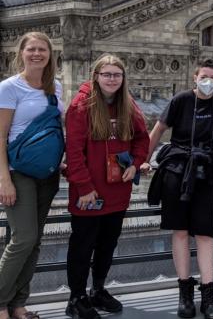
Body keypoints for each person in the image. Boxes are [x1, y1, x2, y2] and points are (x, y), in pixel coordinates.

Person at [146, 59, 213, 319]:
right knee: (181, 232)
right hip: (177, 170)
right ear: (195, 78)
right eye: (204, 76)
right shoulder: (181, 100)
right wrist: (145, 158)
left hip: (206, 172)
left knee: (206, 233)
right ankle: (185, 294)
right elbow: (158, 129)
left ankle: (209, 297)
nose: (209, 81)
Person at [65, 54, 149, 319]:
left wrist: (136, 163)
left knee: (107, 244)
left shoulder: (128, 104)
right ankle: (76, 297)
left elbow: (142, 138)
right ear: (96, 76)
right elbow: (74, 153)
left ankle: (98, 290)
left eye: (116, 75)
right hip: (89, 192)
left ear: (123, 78)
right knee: (83, 245)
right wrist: (85, 186)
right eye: (107, 74)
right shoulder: (81, 106)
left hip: (117, 190)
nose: (112, 79)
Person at [0, 32, 63, 319]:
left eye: (43, 50)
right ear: (21, 53)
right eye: (32, 49)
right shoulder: (9, 88)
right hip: (17, 173)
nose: (37, 54)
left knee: (34, 240)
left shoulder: (56, 88)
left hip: (48, 175)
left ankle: (18, 305)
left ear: (50, 54)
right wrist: (4, 179)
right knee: (23, 238)